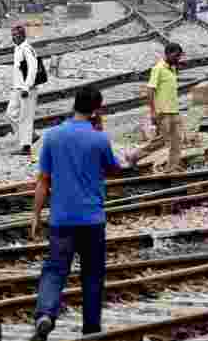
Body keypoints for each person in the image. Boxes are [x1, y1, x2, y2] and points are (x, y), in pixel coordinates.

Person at [30, 86, 137, 340]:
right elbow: (113, 169)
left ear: (74, 105)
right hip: (92, 220)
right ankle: (91, 328)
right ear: (96, 110)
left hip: (61, 219)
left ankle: (45, 314)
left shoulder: (53, 136)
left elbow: (43, 181)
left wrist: (35, 215)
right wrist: (128, 160)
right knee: (92, 274)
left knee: (55, 270)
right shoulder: (99, 139)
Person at [129, 42, 185, 172]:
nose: (178, 59)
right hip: (163, 112)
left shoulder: (172, 69)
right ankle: (134, 156)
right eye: (176, 56)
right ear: (168, 54)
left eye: (179, 56)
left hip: (174, 111)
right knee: (162, 141)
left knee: (177, 141)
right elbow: (150, 91)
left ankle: (171, 169)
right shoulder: (158, 68)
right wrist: (153, 111)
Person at [8, 23, 40, 155]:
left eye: (16, 35)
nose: (13, 38)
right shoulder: (18, 48)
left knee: (25, 117)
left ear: (22, 36)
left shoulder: (27, 48)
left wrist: (27, 86)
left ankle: (26, 146)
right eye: (12, 35)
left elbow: (33, 69)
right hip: (17, 88)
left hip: (26, 89)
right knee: (11, 113)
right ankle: (30, 135)